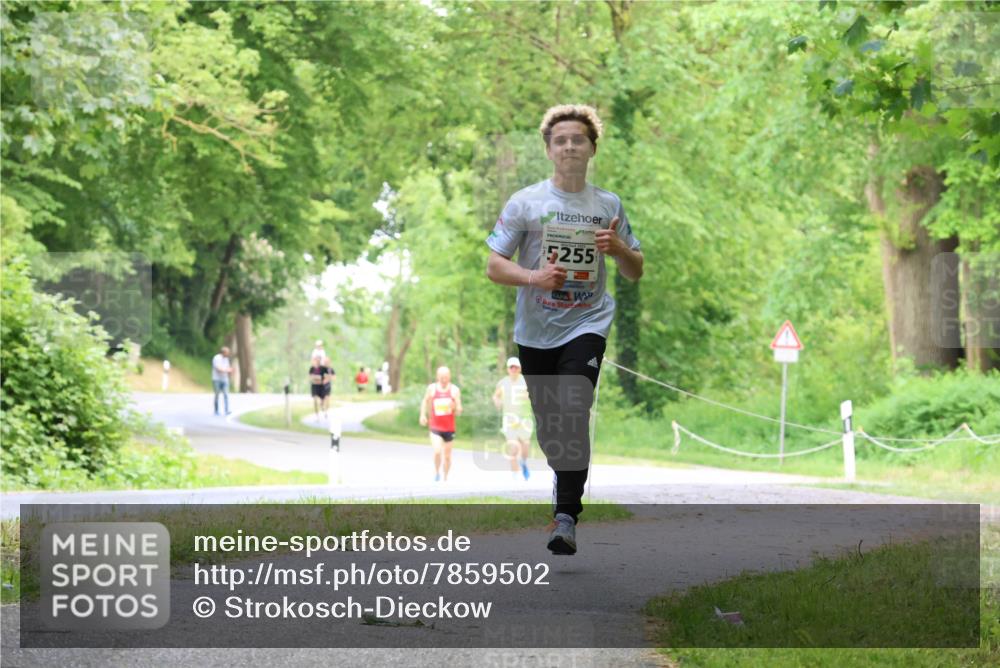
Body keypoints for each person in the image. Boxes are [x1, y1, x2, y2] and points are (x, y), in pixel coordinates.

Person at [485, 104, 643, 555]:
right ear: (549, 150)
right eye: (561, 140)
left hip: (587, 322)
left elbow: (636, 270)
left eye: (578, 139)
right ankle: (563, 483)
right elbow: (495, 265)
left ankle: (566, 516)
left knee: (574, 407)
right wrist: (533, 277)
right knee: (553, 429)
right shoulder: (526, 202)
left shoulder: (607, 204)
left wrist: (617, 249)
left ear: (592, 148)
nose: (570, 146)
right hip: (535, 330)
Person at [419, 366, 463, 482]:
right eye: (442, 377)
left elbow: (459, 409)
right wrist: (423, 415)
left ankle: (445, 478)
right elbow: (425, 401)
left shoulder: (454, 390)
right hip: (435, 427)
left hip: (449, 428)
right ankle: (437, 472)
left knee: (447, 456)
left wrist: (455, 408)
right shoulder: (432, 388)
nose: (444, 379)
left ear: (449, 377)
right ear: (438, 377)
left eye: (446, 377)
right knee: (437, 451)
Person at [493, 357, 533, 481]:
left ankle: (524, 462)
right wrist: (497, 402)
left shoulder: (526, 381)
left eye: (516, 367)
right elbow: (496, 396)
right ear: (508, 369)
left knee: (525, 444)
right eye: (511, 367)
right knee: (513, 447)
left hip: (524, 420)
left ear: (520, 368)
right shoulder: (503, 382)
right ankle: (515, 474)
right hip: (509, 420)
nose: (513, 369)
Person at [211, 346, 235, 416]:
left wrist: (230, 370)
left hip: (225, 379)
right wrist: (228, 370)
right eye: (227, 353)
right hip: (216, 379)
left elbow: (227, 368)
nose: (228, 354)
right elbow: (219, 369)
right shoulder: (216, 358)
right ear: (223, 352)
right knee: (217, 394)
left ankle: (227, 410)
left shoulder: (226, 359)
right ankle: (216, 410)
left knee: (226, 394)